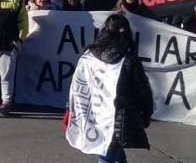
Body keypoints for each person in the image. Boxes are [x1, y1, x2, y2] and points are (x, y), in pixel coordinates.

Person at [66, 14, 154, 163]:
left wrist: (70, 107)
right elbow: (142, 88)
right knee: (108, 153)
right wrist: (147, 110)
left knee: (113, 149)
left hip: (94, 111)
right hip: (120, 114)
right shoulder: (128, 58)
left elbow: (77, 85)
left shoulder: (89, 56)